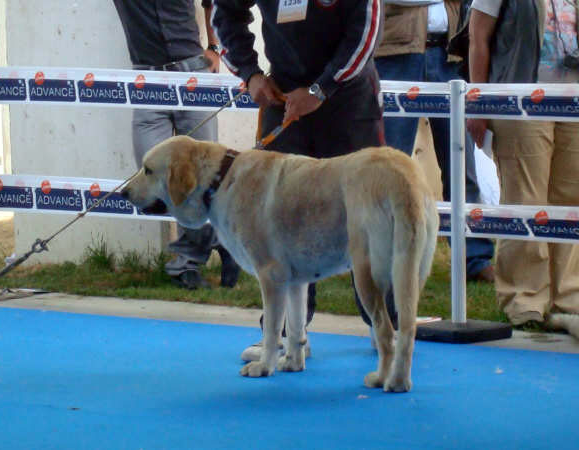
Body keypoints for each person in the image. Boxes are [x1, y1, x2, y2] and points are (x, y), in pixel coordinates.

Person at [212, 0, 388, 361]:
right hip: (284, 91)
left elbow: (366, 32)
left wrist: (322, 89)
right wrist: (250, 73)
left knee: (367, 218)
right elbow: (225, 13)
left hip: (347, 95)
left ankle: (385, 324)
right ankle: (285, 333)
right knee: (278, 219)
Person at [113, 0, 240, 289]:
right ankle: (223, 243)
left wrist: (215, 47)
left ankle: (187, 264)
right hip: (146, 78)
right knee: (150, 175)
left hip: (193, 73)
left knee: (204, 179)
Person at [467, 0, 579, 325]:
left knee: (570, 204)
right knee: (525, 201)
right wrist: (478, 102)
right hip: (522, 102)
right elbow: (478, 37)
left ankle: (568, 297)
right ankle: (524, 300)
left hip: (573, 102)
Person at [374, 0, 496, 283]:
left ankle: (474, 259)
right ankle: (383, 258)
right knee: (390, 166)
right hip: (396, 55)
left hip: (448, 55)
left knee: (461, 164)